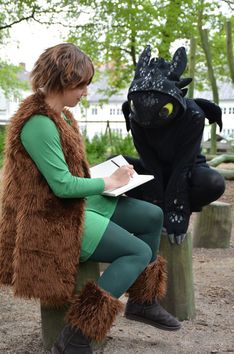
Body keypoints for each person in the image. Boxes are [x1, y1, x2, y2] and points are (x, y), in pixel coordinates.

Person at [0, 43, 180, 354]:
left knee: (152, 216)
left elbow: (70, 177)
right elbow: (61, 187)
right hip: (50, 218)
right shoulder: (38, 124)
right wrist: (107, 181)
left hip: (71, 202)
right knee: (136, 252)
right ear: (62, 81)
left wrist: (112, 177)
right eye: (81, 85)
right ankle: (75, 337)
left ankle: (143, 302)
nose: (85, 92)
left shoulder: (62, 117)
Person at [121, 46, 225, 245]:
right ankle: (149, 209)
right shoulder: (136, 116)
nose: (146, 121)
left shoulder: (194, 115)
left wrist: (177, 211)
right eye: (137, 109)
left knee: (214, 182)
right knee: (114, 165)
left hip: (189, 169)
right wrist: (157, 207)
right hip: (152, 171)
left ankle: (171, 206)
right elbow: (149, 162)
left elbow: (183, 165)